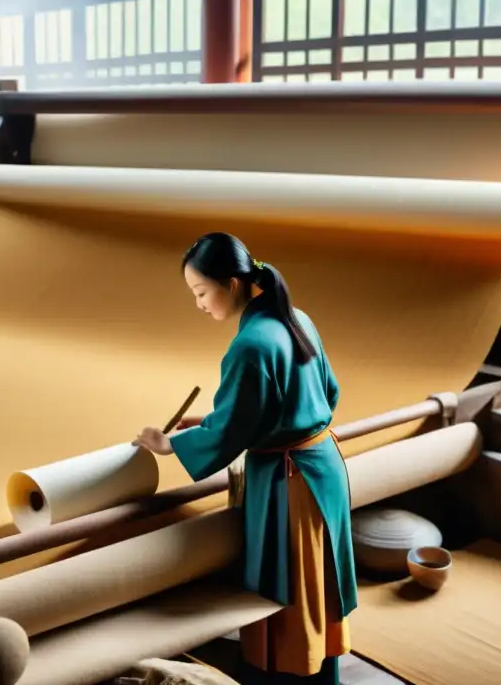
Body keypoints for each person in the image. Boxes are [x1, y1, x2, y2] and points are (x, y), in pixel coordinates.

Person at [134, 233, 357, 685]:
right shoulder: (298, 319)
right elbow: (323, 393)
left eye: (201, 292)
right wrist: (215, 420)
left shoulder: (250, 345)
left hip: (289, 480)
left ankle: (291, 673)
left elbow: (237, 427)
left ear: (232, 284)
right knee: (317, 584)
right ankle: (320, 668)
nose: (198, 304)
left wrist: (170, 444)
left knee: (291, 586)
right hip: (323, 465)